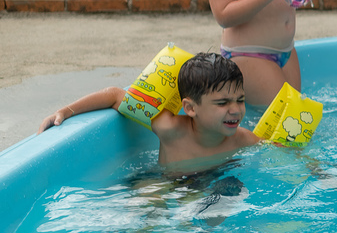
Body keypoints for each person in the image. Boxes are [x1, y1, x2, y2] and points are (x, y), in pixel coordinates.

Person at [38, 53, 260, 169]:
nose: (236, 110)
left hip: (212, 187)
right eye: (222, 103)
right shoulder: (169, 128)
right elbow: (115, 95)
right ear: (190, 108)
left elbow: (276, 148)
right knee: (147, 198)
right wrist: (65, 111)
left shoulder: (244, 140)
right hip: (166, 185)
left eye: (240, 100)